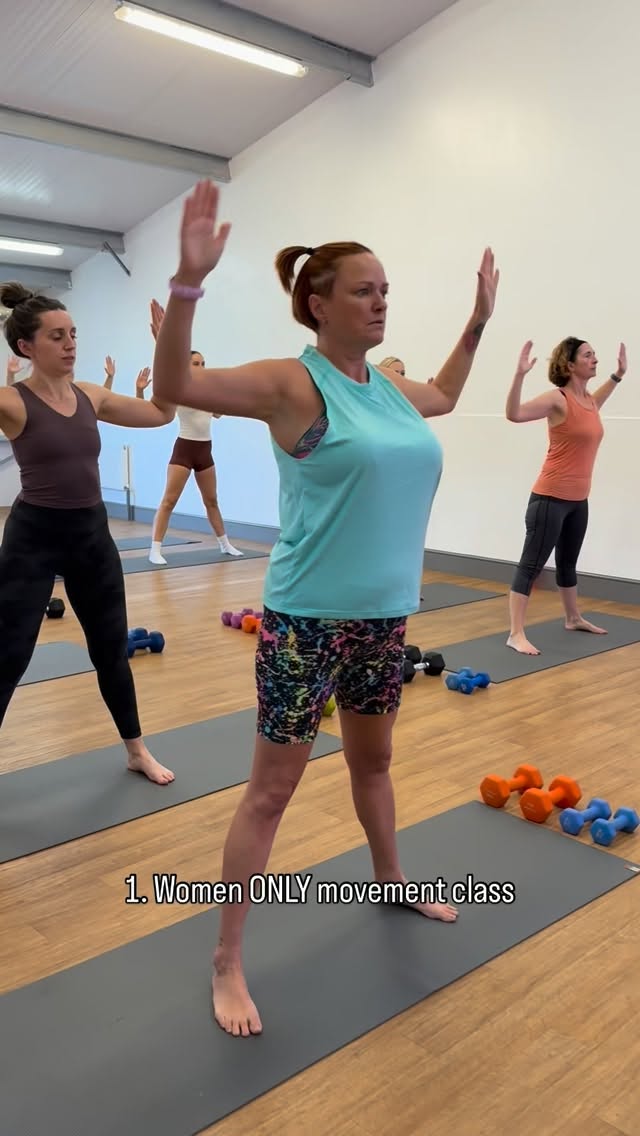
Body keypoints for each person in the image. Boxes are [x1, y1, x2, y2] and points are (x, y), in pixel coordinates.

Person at [151, 179, 499, 1037]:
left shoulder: (386, 385)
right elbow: (173, 385)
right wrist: (189, 282)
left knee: (374, 767)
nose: (381, 302)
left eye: (386, 290)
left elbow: (447, 397)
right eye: (364, 290)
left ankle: (390, 881)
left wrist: (479, 322)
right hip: (306, 622)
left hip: (385, 621)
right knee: (270, 795)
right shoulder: (291, 385)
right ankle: (227, 957)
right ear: (319, 303)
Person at [0, 281, 177, 785]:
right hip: (33, 536)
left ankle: (136, 750)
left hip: (90, 535)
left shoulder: (91, 396)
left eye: (73, 333)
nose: (71, 343)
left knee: (109, 648)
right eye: (57, 336)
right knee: (9, 653)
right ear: (25, 347)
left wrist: (165, 349)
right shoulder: (12, 402)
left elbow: (162, 412)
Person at [505, 336, 626, 655]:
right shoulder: (557, 399)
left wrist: (617, 376)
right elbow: (514, 414)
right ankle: (515, 633)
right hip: (549, 499)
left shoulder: (588, 401)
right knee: (531, 565)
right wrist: (519, 375)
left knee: (568, 563)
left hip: (577, 500)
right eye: (588, 355)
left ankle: (573, 618)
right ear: (570, 365)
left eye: (595, 354)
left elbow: (595, 403)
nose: (595, 359)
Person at [140, 342, 242, 564]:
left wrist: (226, 396)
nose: (202, 367)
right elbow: (147, 411)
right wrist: (140, 390)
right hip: (184, 450)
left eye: (203, 363)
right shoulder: (179, 392)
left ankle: (225, 544)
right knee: (169, 500)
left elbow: (218, 414)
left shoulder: (207, 390)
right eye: (196, 363)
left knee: (212, 500)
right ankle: (155, 549)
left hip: (205, 451)